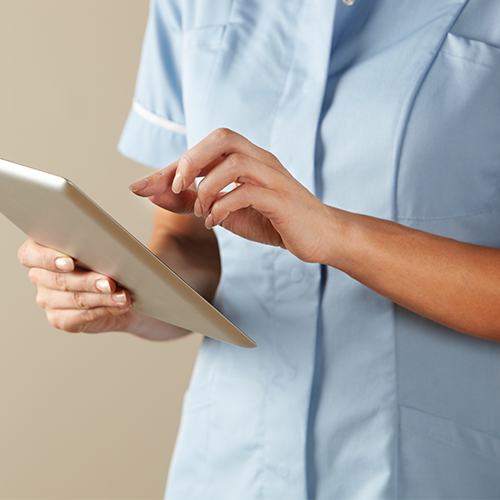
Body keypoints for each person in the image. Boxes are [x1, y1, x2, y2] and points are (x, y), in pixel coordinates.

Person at [17, 0, 500, 498]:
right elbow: (189, 243)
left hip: (433, 472)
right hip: (233, 466)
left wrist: (335, 235)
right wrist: (128, 294)